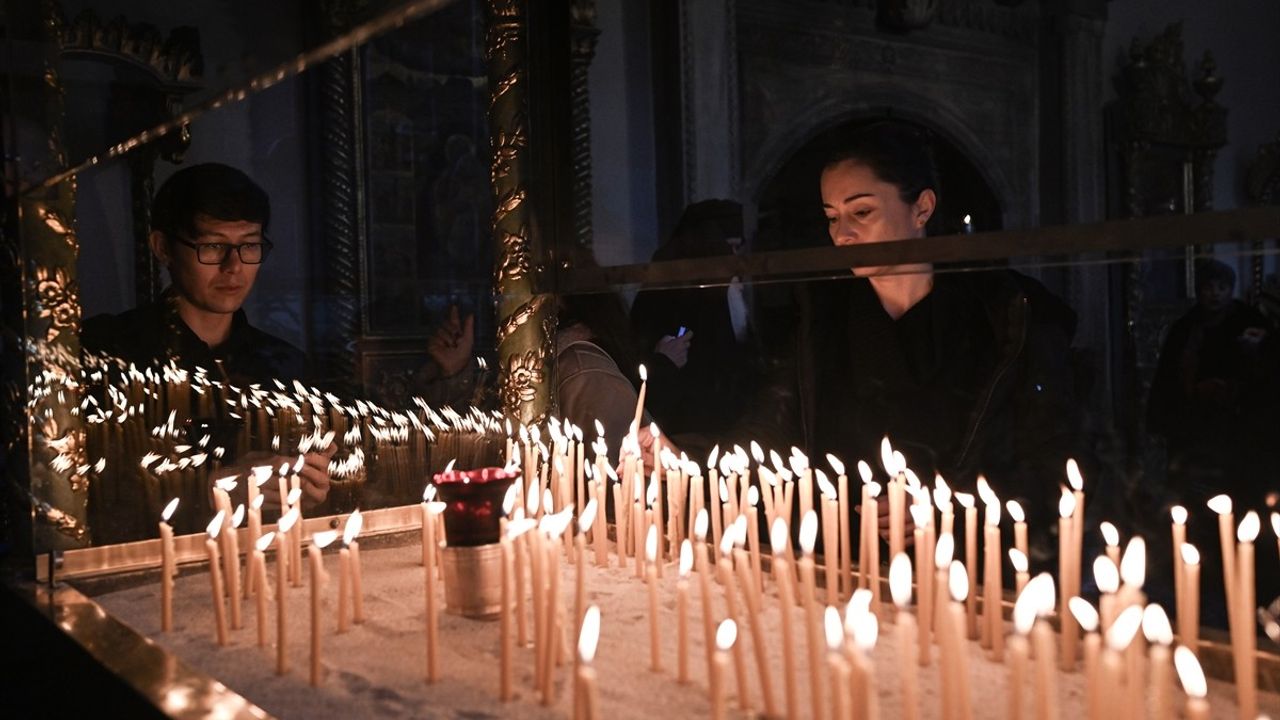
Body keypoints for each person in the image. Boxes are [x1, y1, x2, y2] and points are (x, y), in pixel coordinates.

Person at [801, 122, 1081, 567]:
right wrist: (685, 451)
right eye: (832, 217)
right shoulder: (824, 318)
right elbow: (778, 414)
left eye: (862, 212)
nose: (842, 236)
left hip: (979, 565)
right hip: (854, 563)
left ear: (922, 208)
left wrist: (946, 500)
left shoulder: (1004, 313)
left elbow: (1051, 456)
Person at [82, 163, 332, 519]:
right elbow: (85, 491)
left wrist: (310, 483)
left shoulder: (284, 363)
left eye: (249, 246)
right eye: (213, 246)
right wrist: (216, 487)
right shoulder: (109, 352)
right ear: (163, 247)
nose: (233, 266)